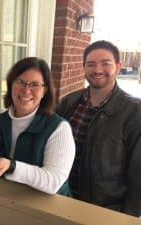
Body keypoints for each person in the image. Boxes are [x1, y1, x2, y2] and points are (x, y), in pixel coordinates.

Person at [0, 57, 75, 195]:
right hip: (9, 203)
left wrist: (12, 166)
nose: (26, 90)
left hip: (49, 211)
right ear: (11, 85)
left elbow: (54, 182)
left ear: (45, 90)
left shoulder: (59, 128)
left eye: (34, 84)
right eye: (21, 82)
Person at [56, 40, 141, 217]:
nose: (97, 70)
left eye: (105, 63)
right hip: (62, 197)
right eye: (91, 64)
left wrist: (127, 216)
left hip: (104, 209)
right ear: (84, 67)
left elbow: (138, 173)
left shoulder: (134, 112)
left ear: (118, 67)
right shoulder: (69, 102)